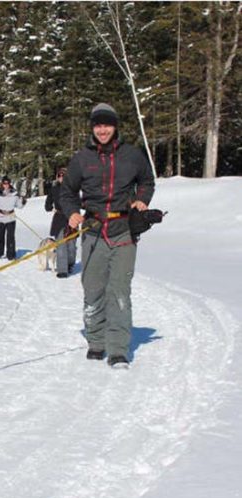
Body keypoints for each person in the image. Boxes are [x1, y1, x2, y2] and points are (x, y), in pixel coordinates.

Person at [59, 103, 155, 368]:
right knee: (93, 289)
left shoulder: (132, 155)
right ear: (92, 128)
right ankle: (96, 341)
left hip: (124, 230)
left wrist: (142, 200)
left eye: (107, 124)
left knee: (119, 291)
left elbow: (147, 181)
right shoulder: (82, 158)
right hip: (92, 230)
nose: (102, 130)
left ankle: (117, 349)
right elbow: (66, 192)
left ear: (115, 126)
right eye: (98, 125)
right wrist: (71, 213)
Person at [44, 166, 76, 278]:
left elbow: (79, 202)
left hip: (71, 217)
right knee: (60, 244)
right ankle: (62, 270)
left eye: (63, 175)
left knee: (71, 245)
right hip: (59, 218)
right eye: (59, 175)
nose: (61, 177)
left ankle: (70, 264)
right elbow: (48, 204)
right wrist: (50, 207)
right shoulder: (54, 189)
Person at [0, 176, 24, 260]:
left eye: (7, 183)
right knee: (0, 236)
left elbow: (19, 206)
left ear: (9, 184)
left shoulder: (14, 193)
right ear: (2, 184)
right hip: (0, 217)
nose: (6, 185)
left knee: (10, 237)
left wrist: (23, 201)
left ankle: (11, 255)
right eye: (4, 183)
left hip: (11, 218)